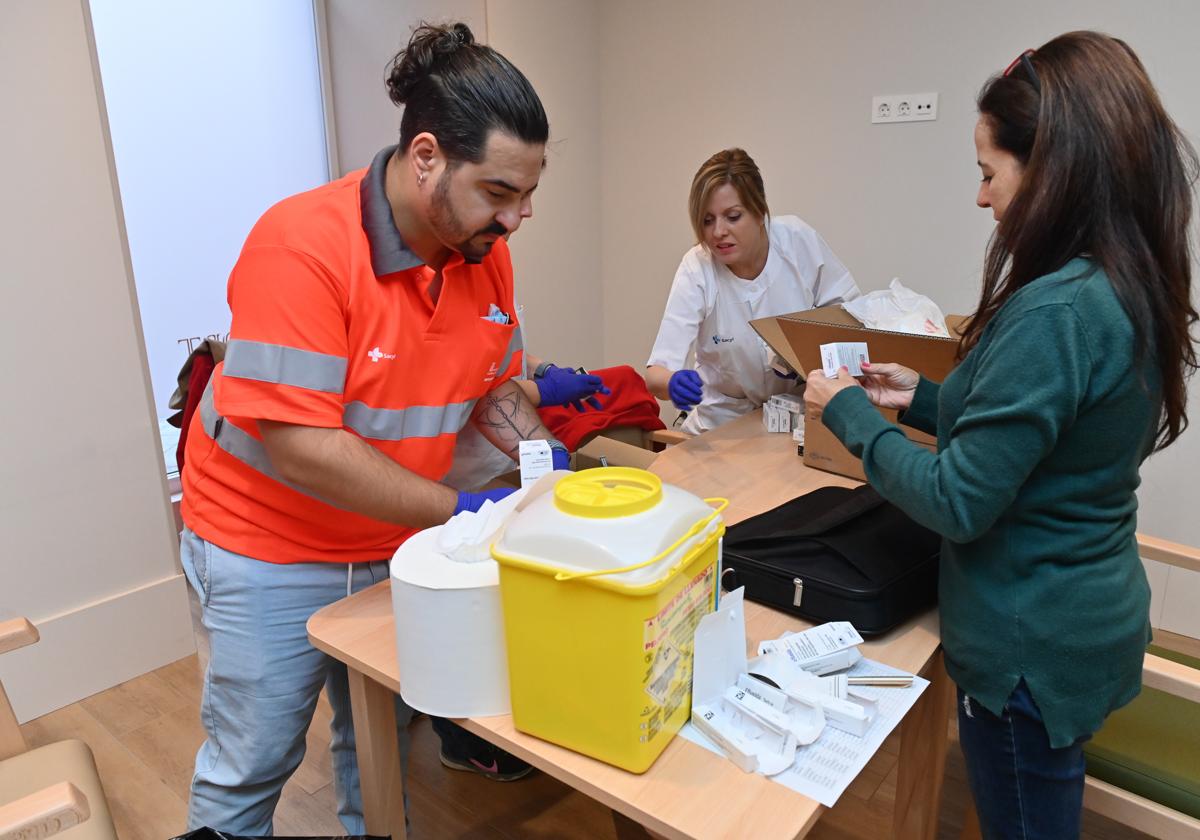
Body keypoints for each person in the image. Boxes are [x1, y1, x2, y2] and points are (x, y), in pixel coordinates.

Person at [804, 32, 1197, 839]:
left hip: (1029, 649)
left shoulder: (1055, 311)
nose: (981, 199)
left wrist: (846, 415)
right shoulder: (1116, 285)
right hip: (1085, 620)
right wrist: (919, 400)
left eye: (989, 173)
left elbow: (958, 500)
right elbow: (1040, 439)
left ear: (1053, 169)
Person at [178, 22, 567, 834]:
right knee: (254, 761)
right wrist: (461, 513)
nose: (519, 215)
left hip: (391, 542)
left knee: (382, 742)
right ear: (426, 157)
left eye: (529, 192)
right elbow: (302, 444)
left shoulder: (483, 252)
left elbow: (492, 392)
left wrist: (546, 467)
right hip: (267, 546)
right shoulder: (303, 245)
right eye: (499, 192)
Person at [645, 148, 859, 434]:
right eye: (707, 220)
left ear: (759, 212)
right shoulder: (697, 268)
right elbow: (655, 373)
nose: (718, 232)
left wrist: (811, 354)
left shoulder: (796, 241)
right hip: (722, 421)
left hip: (798, 413)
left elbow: (851, 318)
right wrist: (671, 383)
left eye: (732, 216)